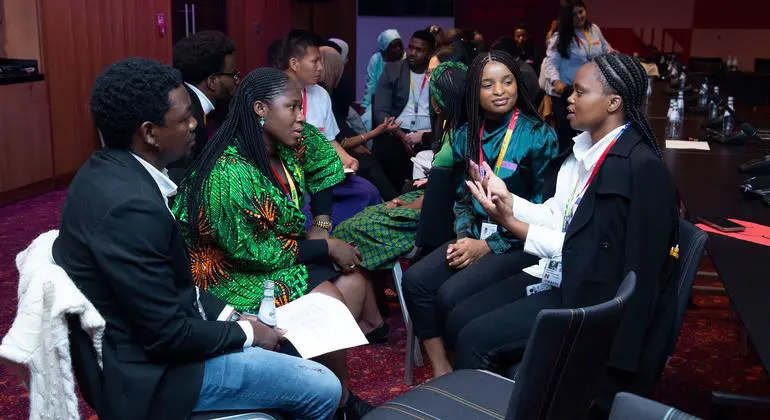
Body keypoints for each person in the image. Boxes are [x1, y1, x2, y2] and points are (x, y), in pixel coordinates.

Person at [52, 58, 341, 420]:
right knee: (323, 387)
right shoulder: (132, 208)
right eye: (185, 118)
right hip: (156, 375)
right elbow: (167, 335)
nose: (195, 125)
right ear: (149, 133)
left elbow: (171, 286)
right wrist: (247, 334)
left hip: (147, 347)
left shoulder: (108, 171)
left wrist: (233, 313)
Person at [456, 54, 679, 393]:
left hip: (591, 303)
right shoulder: (583, 150)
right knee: (465, 318)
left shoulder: (636, 167)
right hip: (569, 278)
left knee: (473, 337)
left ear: (613, 102)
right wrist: (508, 202)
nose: (568, 99)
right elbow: (559, 215)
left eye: (579, 92)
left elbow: (596, 257)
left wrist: (512, 224)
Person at [172, 67, 380, 419]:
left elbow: (324, 162)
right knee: (328, 294)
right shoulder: (228, 172)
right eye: (293, 108)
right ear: (260, 110)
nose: (302, 117)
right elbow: (252, 253)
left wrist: (323, 224)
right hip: (226, 272)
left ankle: (336, 396)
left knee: (354, 281)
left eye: (302, 108)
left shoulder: (292, 139)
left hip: (271, 252)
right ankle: (338, 400)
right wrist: (327, 247)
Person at [402, 50, 558, 378]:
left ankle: (472, 373)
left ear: (518, 84)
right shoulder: (465, 134)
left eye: (507, 81)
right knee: (416, 281)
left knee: (450, 296)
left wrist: (486, 247)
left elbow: (546, 210)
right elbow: (461, 198)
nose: (499, 91)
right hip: (475, 235)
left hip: (518, 241)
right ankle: (442, 368)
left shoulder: (538, 135)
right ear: (475, 91)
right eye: (488, 85)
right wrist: (464, 236)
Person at [333, 59, 470, 273]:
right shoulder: (463, 129)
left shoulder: (453, 140)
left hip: (426, 219)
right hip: (434, 207)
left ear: (436, 103)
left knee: (346, 230)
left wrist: (400, 206)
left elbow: (436, 199)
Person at [278, 30, 382, 227]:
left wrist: (346, 158)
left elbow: (330, 139)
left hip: (322, 174)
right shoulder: (273, 92)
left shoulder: (321, 94)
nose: (320, 68)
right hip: (290, 176)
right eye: (315, 61)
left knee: (368, 192)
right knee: (305, 212)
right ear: (294, 64)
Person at [320, 44, 402, 201]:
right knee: (369, 163)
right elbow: (340, 142)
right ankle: (393, 202)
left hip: (337, 153)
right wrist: (375, 132)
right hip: (329, 159)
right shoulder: (323, 96)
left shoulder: (327, 93)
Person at [167, 30, 240, 182]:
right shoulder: (190, 120)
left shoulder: (190, 102)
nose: (237, 81)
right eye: (233, 75)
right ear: (212, 81)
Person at [372, 30, 437, 193]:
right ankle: (392, 198)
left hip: (428, 133)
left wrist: (425, 135)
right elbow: (380, 111)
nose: (412, 53)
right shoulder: (392, 70)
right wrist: (401, 135)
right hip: (398, 131)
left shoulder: (437, 72)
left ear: (430, 52)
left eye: (419, 50)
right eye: (411, 47)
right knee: (386, 149)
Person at [544, 0, 613, 152]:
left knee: (589, 130)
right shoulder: (560, 36)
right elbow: (551, 63)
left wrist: (614, 55)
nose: (579, 16)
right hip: (567, 92)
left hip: (591, 90)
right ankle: (564, 166)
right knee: (568, 136)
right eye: (574, 15)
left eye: (581, 11)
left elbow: (606, 49)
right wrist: (556, 82)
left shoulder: (594, 29)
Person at [361, 29, 404, 129]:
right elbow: (370, 85)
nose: (398, 49)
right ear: (384, 49)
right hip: (379, 102)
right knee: (366, 121)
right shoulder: (376, 60)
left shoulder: (406, 60)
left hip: (401, 104)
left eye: (400, 45)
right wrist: (365, 105)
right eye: (394, 46)